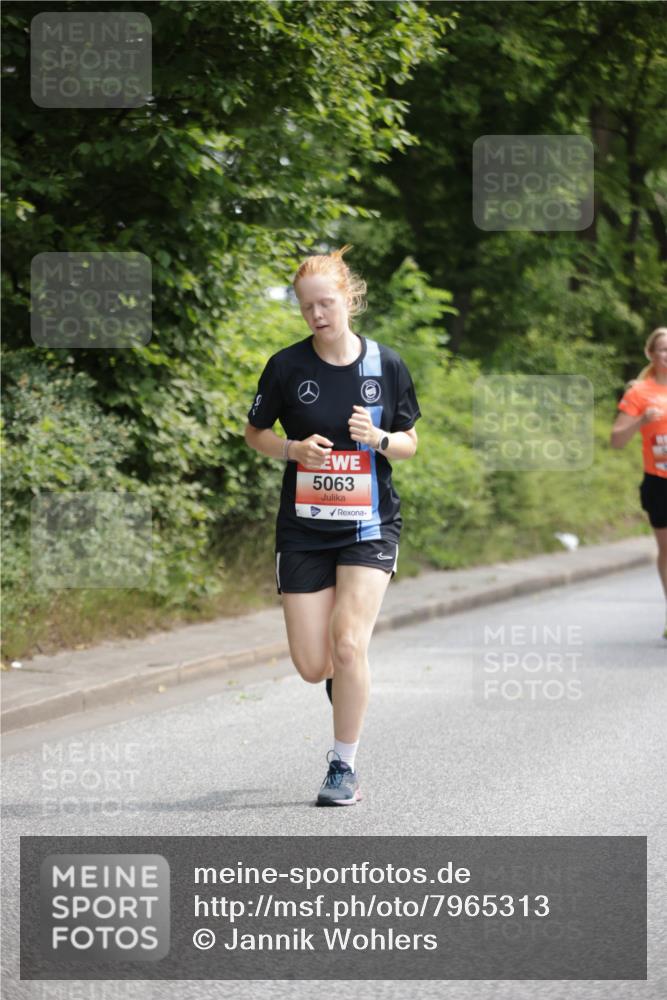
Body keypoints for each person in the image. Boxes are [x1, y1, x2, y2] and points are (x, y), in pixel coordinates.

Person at [244, 244, 421, 804]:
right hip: (303, 529)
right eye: (307, 307)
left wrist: (381, 439)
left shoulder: (385, 365)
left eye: (326, 303)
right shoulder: (286, 366)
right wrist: (292, 449)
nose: (317, 314)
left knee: (347, 645)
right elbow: (255, 433)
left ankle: (343, 767)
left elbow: (410, 442)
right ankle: (343, 681)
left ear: (349, 298)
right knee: (312, 664)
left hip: (369, 525)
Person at [611, 326, 667, 638]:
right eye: (663, 349)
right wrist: (641, 420)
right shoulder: (639, 393)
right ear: (651, 353)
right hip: (659, 481)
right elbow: (616, 441)